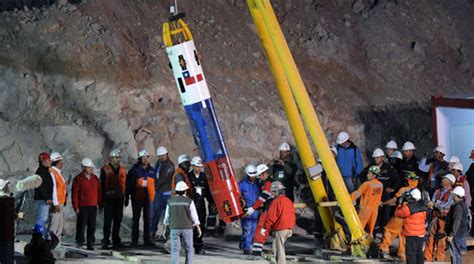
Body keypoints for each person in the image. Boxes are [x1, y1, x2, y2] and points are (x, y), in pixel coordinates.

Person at [379, 171, 420, 261]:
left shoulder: (403, 190)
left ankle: (384, 248)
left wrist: (383, 203)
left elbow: (394, 201)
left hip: (401, 215)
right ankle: (402, 254)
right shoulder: (417, 192)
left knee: (389, 229)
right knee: (403, 235)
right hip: (410, 217)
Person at [360, 148, 400, 232]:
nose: (375, 159)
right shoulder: (371, 167)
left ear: (382, 158)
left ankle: (384, 229)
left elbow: (397, 179)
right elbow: (362, 176)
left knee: (386, 212)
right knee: (374, 212)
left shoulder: (388, 168)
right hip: (374, 194)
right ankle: (374, 229)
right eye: (374, 158)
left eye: (377, 157)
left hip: (385, 194)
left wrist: (393, 188)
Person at [163, 182, 201, 264]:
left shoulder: (170, 201)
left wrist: (165, 228)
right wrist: (198, 227)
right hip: (187, 228)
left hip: (174, 227)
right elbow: (194, 216)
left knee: (175, 249)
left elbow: (167, 217)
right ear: (185, 191)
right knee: (189, 248)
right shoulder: (189, 201)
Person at [126, 150, 156, 247]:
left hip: (149, 199)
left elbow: (156, 184)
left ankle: (147, 240)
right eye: (143, 157)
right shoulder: (133, 171)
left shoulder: (152, 170)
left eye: (146, 157)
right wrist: (127, 197)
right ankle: (134, 240)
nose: (145, 159)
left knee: (148, 219)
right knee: (136, 220)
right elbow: (128, 185)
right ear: (139, 159)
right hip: (137, 198)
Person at [262, 181, 295, 264]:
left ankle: (281, 262)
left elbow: (271, 217)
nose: (272, 193)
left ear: (277, 191)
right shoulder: (288, 201)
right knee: (276, 247)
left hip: (281, 229)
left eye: (273, 191)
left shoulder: (276, 202)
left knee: (279, 249)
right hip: (289, 228)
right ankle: (277, 261)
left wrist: (265, 227)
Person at [424, 173, 455, 262]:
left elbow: (447, 205)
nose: (442, 180)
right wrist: (431, 204)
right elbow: (433, 202)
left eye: (444, 179)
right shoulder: (437, 191)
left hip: (444, 219)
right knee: (430, 237)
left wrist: (435, 203)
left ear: (449, 182)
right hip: (435, 217)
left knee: (442, 239)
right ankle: (427, 257)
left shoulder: (452, 193)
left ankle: (439, 259)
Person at [72, 158, 102, 250]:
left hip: (93, 205)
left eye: (91, 168)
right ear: (84, 168)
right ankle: (79, 241)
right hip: (83, 206)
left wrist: (100, 204)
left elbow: (99, 192)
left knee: (92, 225)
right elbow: (75, 194)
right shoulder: (78, 179)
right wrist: (76, 207)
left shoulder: (95, 178)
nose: (91, 169)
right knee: (81, 225)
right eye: (89, 168)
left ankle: (90, 243)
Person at [100, 149, 126, 249]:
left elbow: (125, 184)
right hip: (109, 199)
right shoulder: (105, 169)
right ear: (111, 158)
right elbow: (101, 186)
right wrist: (101, 200)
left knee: (118, 220)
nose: (118, 159)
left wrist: (126, 197)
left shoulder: (122, 170)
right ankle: (105, 240)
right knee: (108, 221)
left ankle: (116, 240)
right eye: (116, 157)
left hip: (119, 198)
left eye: (119, 157)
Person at [188, 156, 213, 254]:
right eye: (197, 166)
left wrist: (212, 202)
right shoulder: (189, 177)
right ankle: (190, 245)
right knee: (191, 225)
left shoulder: (204, 177)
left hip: (201, 204)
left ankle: (199, 245)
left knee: (201, 224)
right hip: (191, 204)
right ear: (193, 166)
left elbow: (207, 191)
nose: (199, 169)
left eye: (200, 167)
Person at [395, 188, 427, 264]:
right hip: (421, 233)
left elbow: (398, 213)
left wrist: (400, 204)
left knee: (411, 254)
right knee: (419, 253)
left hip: (412, 234)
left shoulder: (409, 207)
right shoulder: (423, 206)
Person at [350, 165, 383, 236]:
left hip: (365, 209)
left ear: (374, 175)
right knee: (370, 230)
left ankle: (356, 245)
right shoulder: (380, 185)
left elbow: (357, 193)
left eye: (369, 173)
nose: (367, 175)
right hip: (374, 210)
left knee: (359, 228)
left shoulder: (367, 184)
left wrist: (351, 198)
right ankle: (368, 244)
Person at [151, 146, 175, 239]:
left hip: (166, 193)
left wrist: (155, 184)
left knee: (167, 214)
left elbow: (164, 178)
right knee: (156, 211)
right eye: (160, 156)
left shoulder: (170, 165)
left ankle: (168, 233)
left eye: (163, 155)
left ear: (166, 154)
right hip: (159, 192)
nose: (162, 157)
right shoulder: (159, 163)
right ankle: (152, 230)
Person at [250, 164, 274, 256]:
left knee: (261, 228)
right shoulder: (273, 182)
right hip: (274, 209)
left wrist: (253, 208)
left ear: (264, 173)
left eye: (260, 175)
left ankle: (256, 251)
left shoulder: (268, 184)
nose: (259, 178)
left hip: (269, 209)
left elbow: (263, 198)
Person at [238, 164, 260, 255]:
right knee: (247, 229)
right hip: (246, 211)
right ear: (247, 175)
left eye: (254, 175)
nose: (253, 177)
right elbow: (237, 197)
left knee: (253, 230)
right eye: (251, 175)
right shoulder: (241, 185)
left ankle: (245, 245)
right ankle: (247, 248)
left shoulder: (258, 184)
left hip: (255, 210)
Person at [446, 186, 469, 264]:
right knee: (456, 253)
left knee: (455, 253)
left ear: (456, 195)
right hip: (460, 233)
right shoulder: (463, 204)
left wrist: (451, 234)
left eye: (453, 195)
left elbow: (456, 221)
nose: (452, 196)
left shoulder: (458, 206)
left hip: (456, 234)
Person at [34, 152, 54, 238]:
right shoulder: (41, 172)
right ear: (44, 161)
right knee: (42, 218)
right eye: (48, 160)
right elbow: (41, 186)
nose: (50, 162)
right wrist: (47, 197)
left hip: (44, 198)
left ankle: (41, 236)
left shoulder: (44, 171)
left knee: (43, 218)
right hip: (43, 199)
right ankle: (38, 237)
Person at [48, 152, 67, 243]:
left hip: (61, 201)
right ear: (58, 161)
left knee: (59, 224)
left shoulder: (58, 172)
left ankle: (57, 242)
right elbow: (53, 189)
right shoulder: (52, 172)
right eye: (61, 161)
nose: (62, 163)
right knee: (54, 223)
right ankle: (51, 242)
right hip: (57, 202)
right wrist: (55, 203)